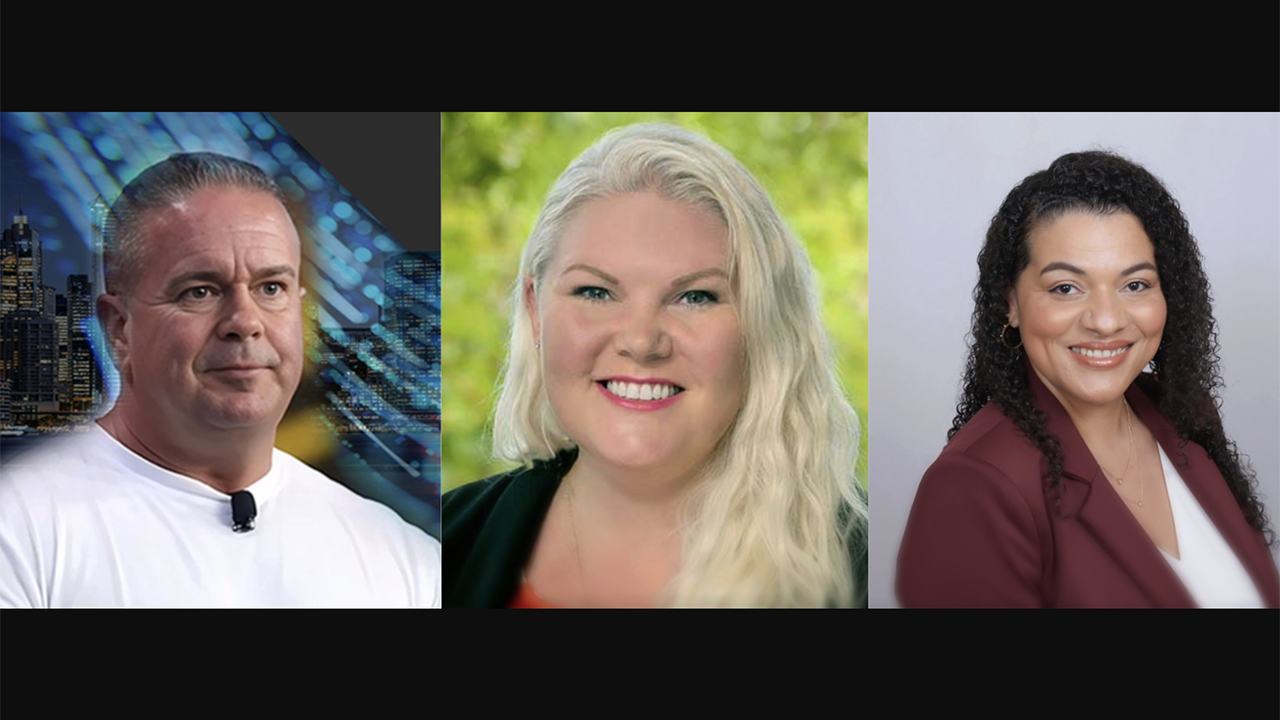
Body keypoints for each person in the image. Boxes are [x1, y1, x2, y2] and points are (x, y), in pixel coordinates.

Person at [443, 123, 867, 607]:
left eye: (695, 297)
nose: (642, 341)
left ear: (763, 325)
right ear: (535, 310)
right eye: (596, 292)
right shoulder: (436, 549)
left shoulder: (879, 571)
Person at [0, 152, 441, 608]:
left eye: (271, 287)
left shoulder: (406, 561)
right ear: (119, 327)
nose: (245, 321)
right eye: (200, 292)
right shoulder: (20, 535)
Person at [897, 150, 1279, 608]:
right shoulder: (975, 487)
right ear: (1011, 303)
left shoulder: (1180, 418)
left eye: (1135, 285)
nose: (1105, 320)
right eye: (1066, 288)